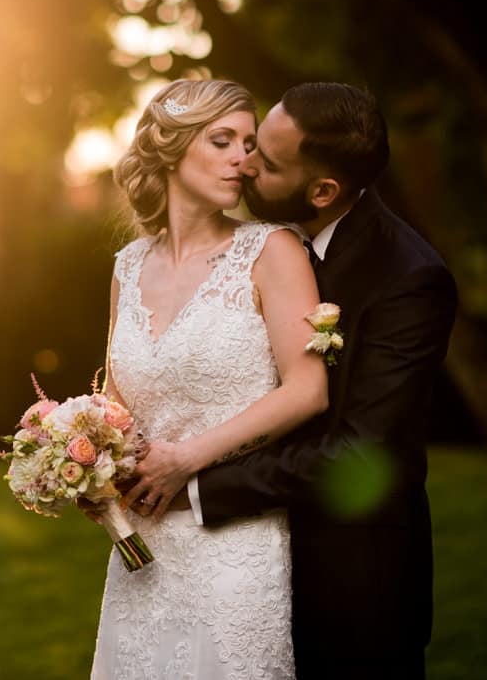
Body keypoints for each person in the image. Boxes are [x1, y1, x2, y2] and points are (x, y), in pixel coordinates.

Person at [125, 82, 458, 679]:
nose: (244, 164)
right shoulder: (250, 246)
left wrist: (198, 486)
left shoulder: (409, 279)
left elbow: (359, 454)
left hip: (351, 584)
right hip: (228, 562)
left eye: (264, 158)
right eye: (244, 142)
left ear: (322, 190)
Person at [90, 79, 329, 679]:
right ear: (170, 150)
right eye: (222, 140)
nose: (242, 158)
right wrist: (90, 462)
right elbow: (117, 403)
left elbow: (307, 389)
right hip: (141, 550)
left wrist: (186, 459)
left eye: (249, 145)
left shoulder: (273, 250)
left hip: (234, 547)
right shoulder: (128, 265)